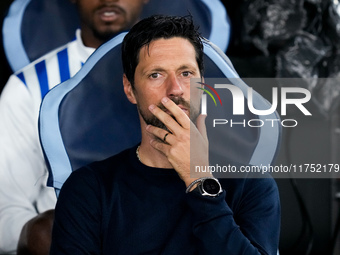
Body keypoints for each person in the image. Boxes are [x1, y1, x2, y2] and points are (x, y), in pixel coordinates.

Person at [50, 15, 280, 254]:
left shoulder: (251, 184)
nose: (175, 89)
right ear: (130, 89)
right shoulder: (89, 189)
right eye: (156, 75)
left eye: (186, 73)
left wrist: (199, 180)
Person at [0, 0, 148, 253]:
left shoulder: (203, 78)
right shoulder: (27, 86)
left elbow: (235, 196)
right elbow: (5, 213)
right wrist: (41, 232)